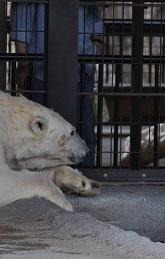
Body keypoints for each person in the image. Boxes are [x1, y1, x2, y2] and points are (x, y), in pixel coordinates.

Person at [9, 4, 104, 166]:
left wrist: (96, 45)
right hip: (46, 69)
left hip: (78, 66)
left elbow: (21, 29)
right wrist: (24, 65)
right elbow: (21, 30)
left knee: (81, 132)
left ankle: (81, 176)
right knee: (46, 133)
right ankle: (55, 176)